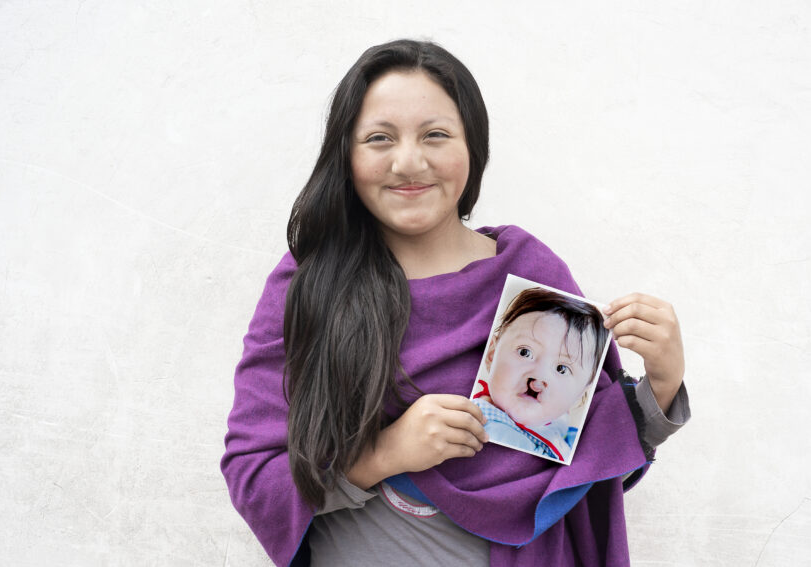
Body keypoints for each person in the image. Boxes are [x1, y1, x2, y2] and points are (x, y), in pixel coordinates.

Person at [221, 39, 690, 566]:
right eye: (379, 138)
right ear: (346, 155)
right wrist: (383, 454)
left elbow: (587, 454)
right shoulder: (307, 286)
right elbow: (254, 475)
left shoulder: (530, 276)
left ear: (473, 148)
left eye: (435, 135)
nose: (408, 161)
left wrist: (662, 382)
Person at [470, 287, 610, 462]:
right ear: (492, 354)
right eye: (525, 352)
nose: (539, 376)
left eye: (562, 369)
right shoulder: (480, 428)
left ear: (582, 391)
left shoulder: (561, 422)